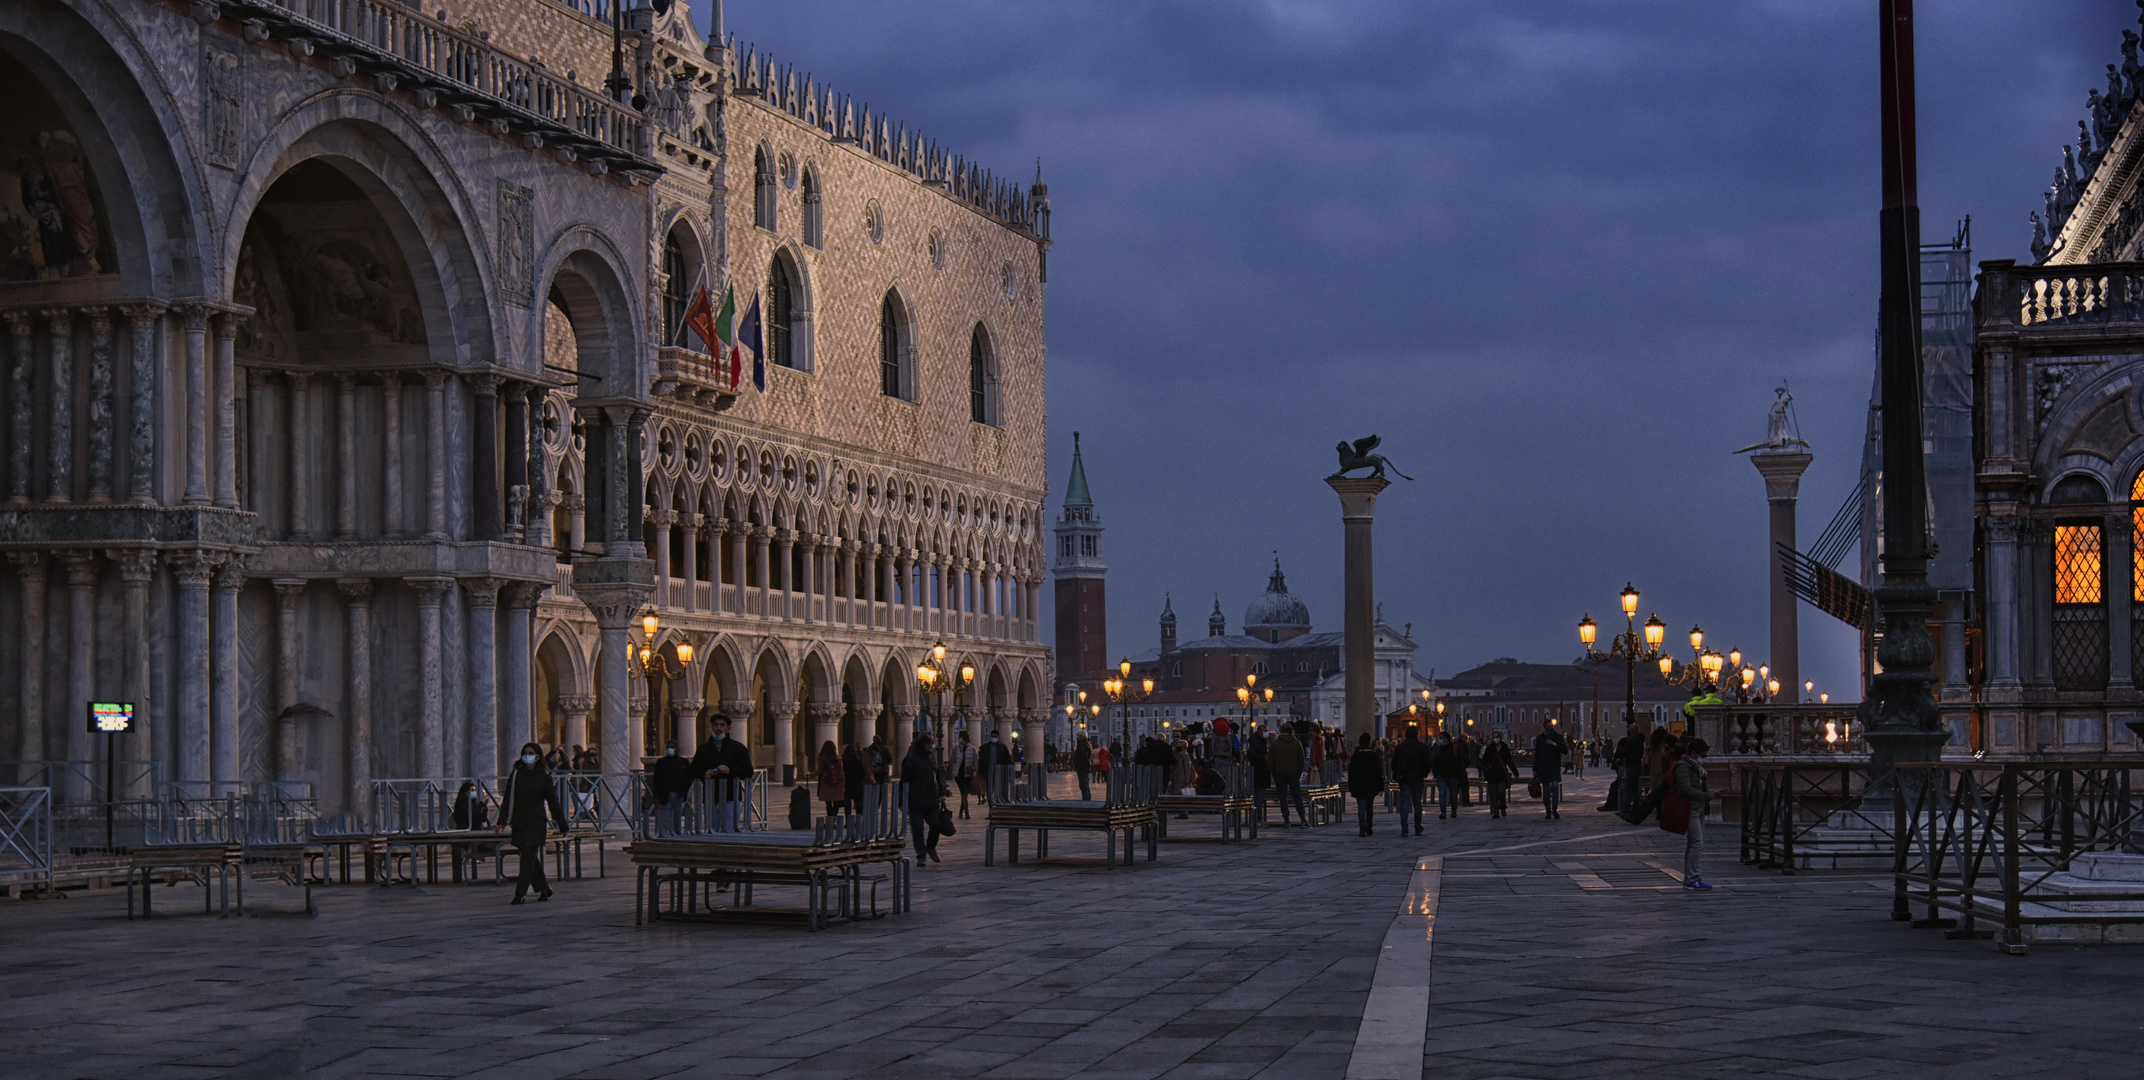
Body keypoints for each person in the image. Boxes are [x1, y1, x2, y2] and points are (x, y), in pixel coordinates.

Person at [497, 742, 568, 904]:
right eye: (525, 752)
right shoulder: (516, 775)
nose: (527, 755)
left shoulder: (544, 778)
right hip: (519, 822)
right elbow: (508, 799)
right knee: (530, 858)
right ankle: (544, 888)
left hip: (536, 822)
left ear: (537, 756)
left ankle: (520, 894)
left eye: (531, 753)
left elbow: (553, 803)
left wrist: (562, 825)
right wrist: (501, 822)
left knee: (527, 859)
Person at [1663, 737, 1713, 890]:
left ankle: (1690, 877)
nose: (1703, 758)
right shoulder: (1684, 766)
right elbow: (1686, 789)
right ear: (1693, 753)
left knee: (1694, 843)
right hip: (1690, 808)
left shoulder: (1696, 767)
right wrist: (1708, 795)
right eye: (1701, 755)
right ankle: (1692, 878)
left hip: (1698, 808)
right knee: (1697, 843)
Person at [690, 714, 754, 830]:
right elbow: (693, 770)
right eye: (715, 725)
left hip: (731, 797)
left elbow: (748, 771)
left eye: (722, 725)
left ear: (728, 728)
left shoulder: (738, 748)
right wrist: (703, 774)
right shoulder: (703, 749)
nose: (718, 728)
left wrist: (730, 770)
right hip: (711, 797)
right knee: (712, 830)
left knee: (729, 830)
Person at [903, 732, 947, 864]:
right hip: (916, 799)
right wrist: (902, 801)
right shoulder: (910, 759)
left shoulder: (931, 757)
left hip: (931, 798)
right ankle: (921, 855)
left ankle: (930, 847)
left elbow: (937, 776)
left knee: (936, 824)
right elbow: (904, 782)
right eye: (929, 743)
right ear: (923, 744)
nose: (932, 746)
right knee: (918, 830)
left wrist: (941, 793)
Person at [1389, 726, 1431, 836]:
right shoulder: (1422, 747)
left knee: (1404, 803)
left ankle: (1404, 827)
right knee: (1417, 803)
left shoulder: (1400, 747)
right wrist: (1424, 773)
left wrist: (1398, 771)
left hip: (1404, 778)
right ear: (1417, 734)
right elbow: (1427, 763)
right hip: (1417, 778)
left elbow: (1393, 763)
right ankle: (1417, 826)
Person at [650, 740, 697, 835]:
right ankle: (664, 833)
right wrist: (656, 796)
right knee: (664, 816)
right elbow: (656, 780)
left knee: (676, 816)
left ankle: (676, 833)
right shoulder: (661, 762)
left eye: (672, 747)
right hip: (664, 794)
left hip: (677, 793)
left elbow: (687, 778)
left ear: (676, 749)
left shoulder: (683, 762)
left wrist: (684, 793)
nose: (669, 749)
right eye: (668, 747)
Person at [1266, 725, 1309, 827]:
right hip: (1293, 772)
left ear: (1281, 731)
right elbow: (1302, 760)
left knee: (1282, 797)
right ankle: (1303, 819)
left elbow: (1270, 761)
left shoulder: (1275, 743)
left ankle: (1286, 820)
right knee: (1297, 796)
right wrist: (1299, 772)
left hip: (1279, 773)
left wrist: (1274, 772)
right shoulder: (1296, 743)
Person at [1346, 732, 1385, 836]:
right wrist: (1381, 786)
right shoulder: (1373, 755)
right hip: (1371, 785)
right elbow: (1378, 771)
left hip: (1359, 785)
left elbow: (1351, 773)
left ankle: (1362, 826)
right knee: (1370, 807)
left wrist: (1351, 786)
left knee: (1361, 807)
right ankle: (1369, 826)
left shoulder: (1356, 755)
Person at [1532, 723, 1570, 819]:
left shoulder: (1558, 737)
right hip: (1543, 768)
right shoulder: (1540, 738)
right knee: (1546, 791)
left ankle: (1555, 809)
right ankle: (1548, 810)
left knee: (1555, 788)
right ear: (1545, 727)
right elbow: (1536, 755)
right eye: (1548, 727)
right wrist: (1534, 769)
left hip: (1554, 767)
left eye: (1551, 727)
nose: (1550, 728)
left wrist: (1554, 744)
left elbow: (1565, 750)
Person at [1478, 731, 1517, 818]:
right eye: (1494, 737)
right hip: (1491, 774)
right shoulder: (1490, 748)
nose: (1496, 738)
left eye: (1497, 737)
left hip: (1502, 774)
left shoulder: (1505, 748)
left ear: (1500, 737)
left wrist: (1515, 771)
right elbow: (1483, 760)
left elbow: (1509, 761)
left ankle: (1502, 807)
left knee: (1501, 791)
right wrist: (1488, 765)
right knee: (1493, 794)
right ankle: (1495, 812)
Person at [1431, 731, 1466, 818]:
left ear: (1446, 739)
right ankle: (1443, 812)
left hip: (1452, 775)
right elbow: (1434, 761)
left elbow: (1459, 761)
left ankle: (1453, 810)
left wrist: (1457, 773)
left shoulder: (1454, 749)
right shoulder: (1438, 749)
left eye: (1441, 738)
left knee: (1453, 794)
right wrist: (1436, 773)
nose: (1440, 740)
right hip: (1441, 775)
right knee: (1442, 793)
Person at [951, 730, 980, 818]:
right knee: (964, 792)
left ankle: (961, 810)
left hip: (968, 774)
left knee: (965, 793)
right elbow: (951, 761)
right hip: (958, 774)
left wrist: (977, 773)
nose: (960, 739)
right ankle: (966, 812)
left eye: (962, 738)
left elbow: (976, 762)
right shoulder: (955, 747)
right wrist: (953, 752)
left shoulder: (972, 748)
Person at [816, 740, 847, 817]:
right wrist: (844, 784)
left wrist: (810, 775)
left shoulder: (822, 759)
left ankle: (830, 820)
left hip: (826, 783)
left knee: (828, 803)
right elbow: (842, 773)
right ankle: (833, 819)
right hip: (837, 782)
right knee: (836, 803)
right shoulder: (838, 759)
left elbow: (819, 770)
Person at [1071, 736, 1094, 800]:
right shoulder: (1086, 744)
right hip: (1085, 767)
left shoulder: (1082, 746)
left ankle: (1086, 799)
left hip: (1083, 767)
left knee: (1083, 784)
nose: (1077, 737)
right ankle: (1087, 798)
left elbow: (1083, 757)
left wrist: (1079, 766)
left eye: (1078, 736)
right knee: (1085, 783)